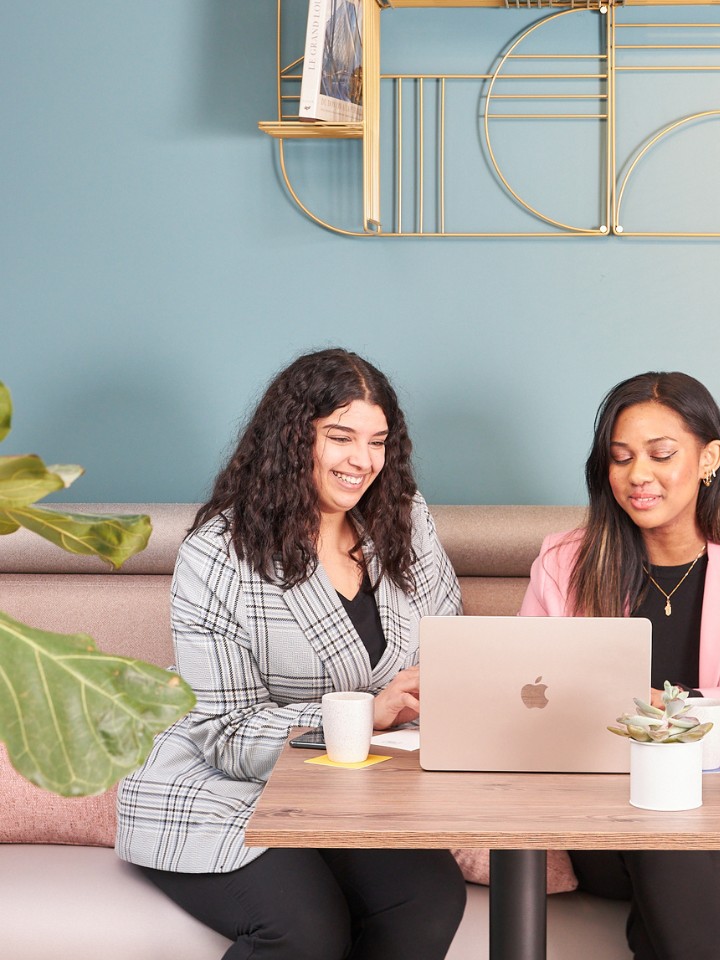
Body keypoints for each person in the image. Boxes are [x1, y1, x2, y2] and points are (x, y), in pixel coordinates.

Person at [116, 349, 466, 960]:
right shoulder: (218, 553)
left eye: (378, 441)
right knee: (306, 932)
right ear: (290, 438)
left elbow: (452, 644)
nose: (363, 460)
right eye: (340, 436)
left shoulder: (405, 522)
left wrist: (446, 689)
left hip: (352, 790)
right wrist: (366, 713)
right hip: (220, 784)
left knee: (428, 898)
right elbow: (225, 733)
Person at [520, 371, 720, 959]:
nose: (638, 475)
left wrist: (669, 710)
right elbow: (525, 688)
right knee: (662, 842)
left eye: (660, 454)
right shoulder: (565, 563)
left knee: (663, 903)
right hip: (607, 821)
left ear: (708, 458)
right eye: (620, 458)